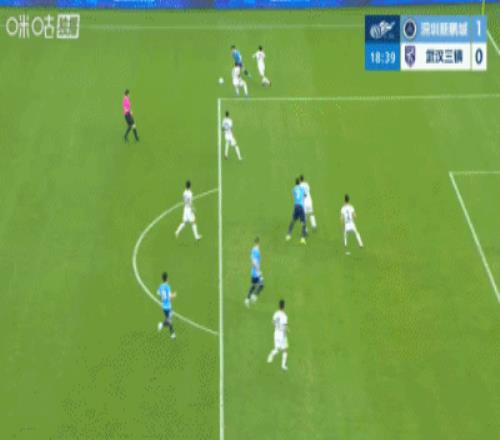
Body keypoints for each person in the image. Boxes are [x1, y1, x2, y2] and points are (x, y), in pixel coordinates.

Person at [267, 299, 288, 371]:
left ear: (279, 306)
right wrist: (284, 335)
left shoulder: (276, 313)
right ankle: (283, 366)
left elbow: (273, 322)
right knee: (285, 350)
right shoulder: (284, 316)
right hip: (282, 334)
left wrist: (277, 326)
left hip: (276, 333)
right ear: (284, 306)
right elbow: (285, 327)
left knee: (277, 349)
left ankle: (270, 356)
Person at [286, 178, 307, 244]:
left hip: (296, 206)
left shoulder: (294, 189)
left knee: (293, 220)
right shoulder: (302, 188)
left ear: (295, 183)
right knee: (304, 222)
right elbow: (305, 195)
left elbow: (294, 195)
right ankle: (302, 238)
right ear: (299, 183)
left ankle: (289, 235)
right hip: (301, 206)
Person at [245, 237, 264, 307]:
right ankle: (254, 296)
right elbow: (254, 262)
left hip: (253, 272)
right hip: (256, 272)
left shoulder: (253, 250)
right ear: (258, 243)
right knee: (261, 285)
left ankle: (247, 299)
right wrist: (259, 272)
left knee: (253, 286)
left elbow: (252, 260)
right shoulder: (256, 251)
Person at [157, 272, 176, 339]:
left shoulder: (161, 286)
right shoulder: (167, 286)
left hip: (164, 306)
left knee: (169, 320)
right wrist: (174, 295)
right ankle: (161, 325)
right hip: (168, 306)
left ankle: (172, 334)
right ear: (167, 278)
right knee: (169, 320)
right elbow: (170, 297)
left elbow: (158, 293)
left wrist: (163, 298)